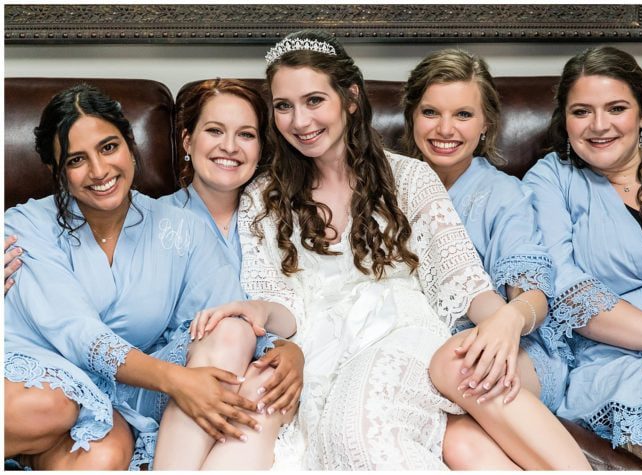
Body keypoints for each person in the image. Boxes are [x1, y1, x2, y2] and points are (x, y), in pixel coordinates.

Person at [232, 30, 585, 470]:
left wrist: (505, 324)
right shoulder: (260, 197)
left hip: (400, 331)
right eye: (284, 106)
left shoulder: (411, 177)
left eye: (314, 101)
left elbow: (463, 281)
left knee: (358, 430)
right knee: (329, 440)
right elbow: (280, 305)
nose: (300, 121)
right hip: (317, 348)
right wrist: (260, 313)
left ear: (351, 98)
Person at [3, 84, 295, 470]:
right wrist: (176, 380)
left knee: (105, 455)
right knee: (52, 407)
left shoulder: (183, 229)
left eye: (109, 147)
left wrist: (284, 351)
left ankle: (24, 452)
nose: (99, 171)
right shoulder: (25, 226)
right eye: (76, 160)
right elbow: (76, 332)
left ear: (130, 144)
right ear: (56, 171)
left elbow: (223, 317)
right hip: (34, 374)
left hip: (119, 396)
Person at [400, 48, 589, 469]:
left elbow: (535, 293)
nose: (445, 129)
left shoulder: (504, 195)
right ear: (411, 115)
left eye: (463, 115)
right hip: (421, 358)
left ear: (487, 123)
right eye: (431, 112)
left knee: (458, 362)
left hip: (510, 354)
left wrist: (507, 320)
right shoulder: (388, 186)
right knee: (460, 445)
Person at [522, 46, 642, 470]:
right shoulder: (550, 181)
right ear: (564, 120)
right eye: (582, 111)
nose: (599, 126)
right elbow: (563, 288)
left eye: (616, 108)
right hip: (624, 359)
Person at [152, 78, 305, 469]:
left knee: (265, 387)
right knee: (232, 336)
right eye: (215, 131)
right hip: (179, 375)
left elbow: (303, 307)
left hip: (261, 372)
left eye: (246, 135)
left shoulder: (279, 222)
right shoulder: (150, 221)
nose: (230, 147)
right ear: (187, 141)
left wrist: (290, 350)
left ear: (261, 149)